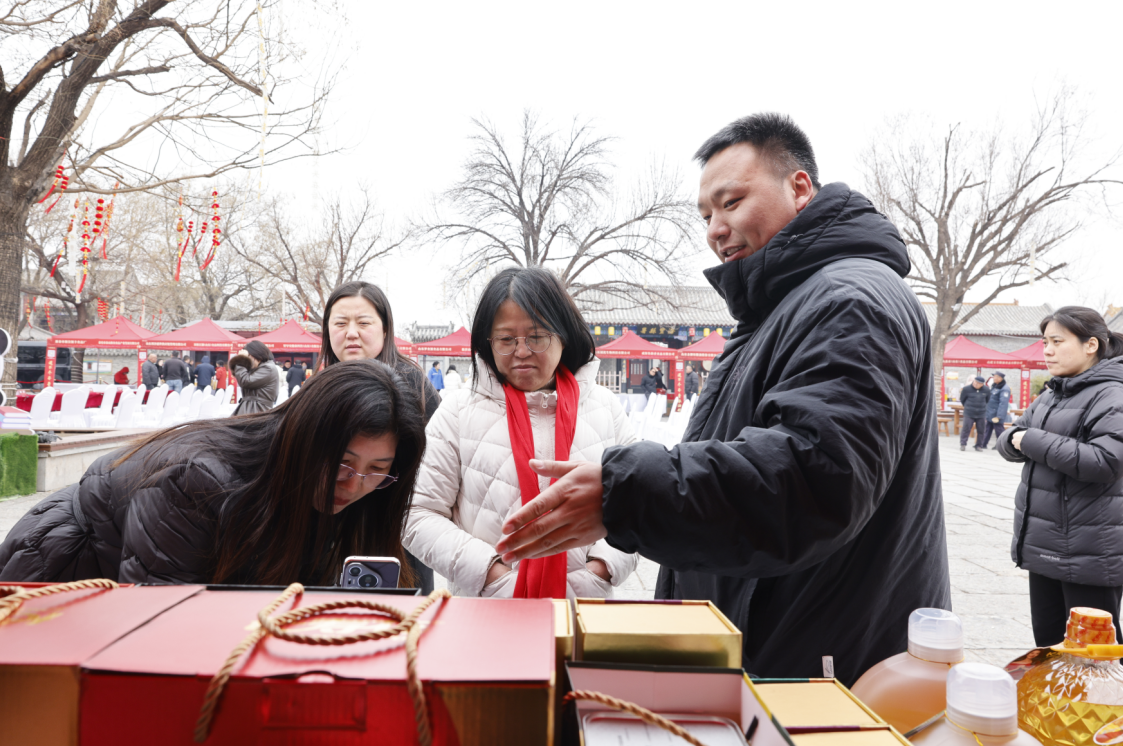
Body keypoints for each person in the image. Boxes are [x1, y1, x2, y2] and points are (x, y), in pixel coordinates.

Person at [496, 113, 951, 685]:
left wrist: (627, 493)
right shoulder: (775, 311)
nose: (716, 227)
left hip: (820, 656)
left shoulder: (850, 300)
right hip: (770, 639)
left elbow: (814, 477)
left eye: (731, 202)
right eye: (706, 215)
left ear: (800, 188)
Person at [0, 360, 426, 586]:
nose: (353, 486)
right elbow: (164, 630)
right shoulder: (195, 482)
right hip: (63, 580)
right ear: (306, 437)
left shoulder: (334, 495)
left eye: (377, 472)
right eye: (342, 464)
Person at [405, 267, 638, 599]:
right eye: (506, 339)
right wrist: (491, 575)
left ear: (564, 335)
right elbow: (418, 514)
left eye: (537, 336)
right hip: (487, 614)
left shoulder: (606, 409)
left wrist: (601, 569)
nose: (522, 351)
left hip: (583, 608)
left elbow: (638, 503)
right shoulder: (457, 411)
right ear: (488, 342)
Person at [997, 306, 1123, 645]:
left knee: (1095, 657)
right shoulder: (1053, 392)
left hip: (1090, 550)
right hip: (1044, 543)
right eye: (1044, 342)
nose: (1047, 350)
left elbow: (1106, 461)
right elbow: (1008, 440)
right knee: (1050, 648)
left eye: (1057, 341)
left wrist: (1030, 439)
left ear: (1091, 345)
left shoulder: (1113, 393)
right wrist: (1016, 439)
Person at [320, 280, 440, 593]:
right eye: (340, 323)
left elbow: (434, 467)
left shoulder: (412, 384)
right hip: (333, 529)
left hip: (396, 528)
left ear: (385, 330)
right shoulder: (321, 386)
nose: (351, 333)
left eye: (363, 323)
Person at [230, 340, 280, 415]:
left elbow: (245, 381)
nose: (248, 360)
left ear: (257, 354)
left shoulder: (268, 368)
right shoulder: (260, 368)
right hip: (252, 409)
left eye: (248, 356)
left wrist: (241, 361)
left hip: (256, 410)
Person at [959, 376, 990, 452]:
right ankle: (963, 444)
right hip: (969, 412)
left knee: (981, 430)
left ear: (982, 384)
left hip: (981, 413)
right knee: (966, 429)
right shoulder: (966, 389)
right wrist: (967, 406)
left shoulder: (986, 390)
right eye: (975, 382)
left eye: (978, 383)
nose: (976, 384)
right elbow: (962, 399)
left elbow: (987, 400)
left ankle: (979, 445)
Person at [982, 371, 1012, 450]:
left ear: (1000, 378)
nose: (993, 378)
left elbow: (1003, 403)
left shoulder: (1004, 388)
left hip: (997, 414)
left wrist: (999, 416)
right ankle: (983, 443)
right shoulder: (995, 386)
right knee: (987, 429)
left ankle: (1001, 446)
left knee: (999, 430)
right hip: (990, 412)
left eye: (995, 376)